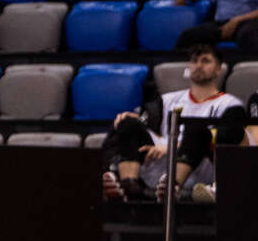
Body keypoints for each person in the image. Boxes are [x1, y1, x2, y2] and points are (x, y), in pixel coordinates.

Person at [101, 44, 244, 201]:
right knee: (127, 123)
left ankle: (173, 187)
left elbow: (230, 135)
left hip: (200, 165)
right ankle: (128, 186)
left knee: (197, 128)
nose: (198, 65)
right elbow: (145, 124)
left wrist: (172, 147)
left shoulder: (230, 104)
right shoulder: (167, 99)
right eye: (194, 61)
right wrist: (134, 119)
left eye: (205, 61)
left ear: (218, 69)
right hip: (160, 160)